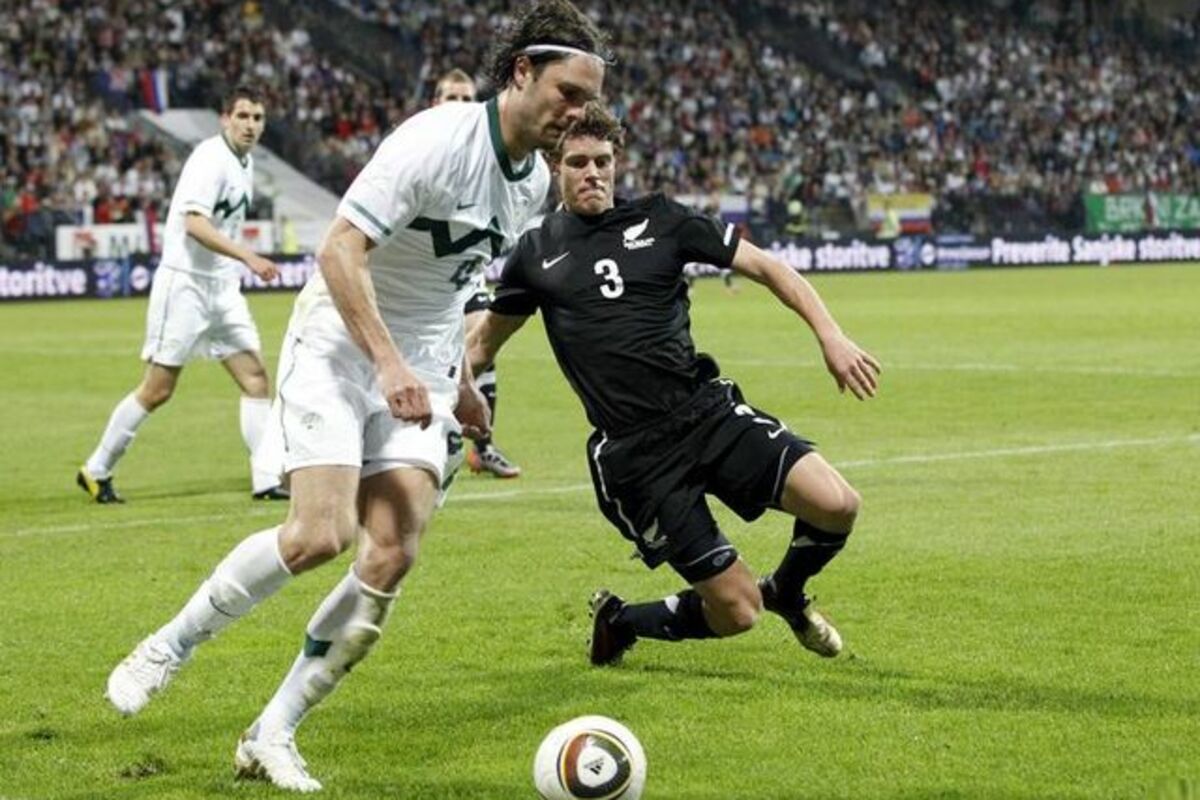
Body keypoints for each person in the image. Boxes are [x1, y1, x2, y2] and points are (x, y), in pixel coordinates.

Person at [104, 2, 609, 792]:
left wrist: (462, 384)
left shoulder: (535, 183)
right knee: (319, 534)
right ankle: (169, 644)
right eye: (568, 93)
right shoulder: (434, 141)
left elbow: (453, 287)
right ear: (521, 73)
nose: (578, 112)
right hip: (341, 347)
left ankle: (273, 732)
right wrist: (386, 363)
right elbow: (340, 248)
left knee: (392, 551)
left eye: (589, 100)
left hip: (422, 368)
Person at [468, 104, 881, 668]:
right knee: (738, 612)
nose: (593, 173)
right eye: (579, 162)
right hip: (638, 457)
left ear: (617, 163)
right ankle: (621, 620)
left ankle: (787, 589)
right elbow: (482, 344)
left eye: (603, 161)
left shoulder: (662, 218)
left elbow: (768, 267)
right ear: (554, 167)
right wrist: (447, 391)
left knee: (838, 504)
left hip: (706, 414)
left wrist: (831, 336)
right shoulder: (535, 253)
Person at [77, 85, 287, 503]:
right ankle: (96, 469)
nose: (250, 125)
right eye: (242, 116)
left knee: (255, 378)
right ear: (225, 119)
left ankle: (266, 478)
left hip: (222, 287)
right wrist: (248, 256)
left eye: (257, 118)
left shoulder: (244, 163)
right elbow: (195, 224)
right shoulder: (210, 158)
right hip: (186, 284)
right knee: (158, 389)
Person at [431, 68, 523, 478]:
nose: (459, 106)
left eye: (466, 99)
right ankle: (431, 433)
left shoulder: (488, 157)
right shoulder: (416, 150)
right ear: (435, 104)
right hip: (420, 280)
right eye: (451, 98)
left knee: (483, 338)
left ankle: (481, 446)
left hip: (464, 273)